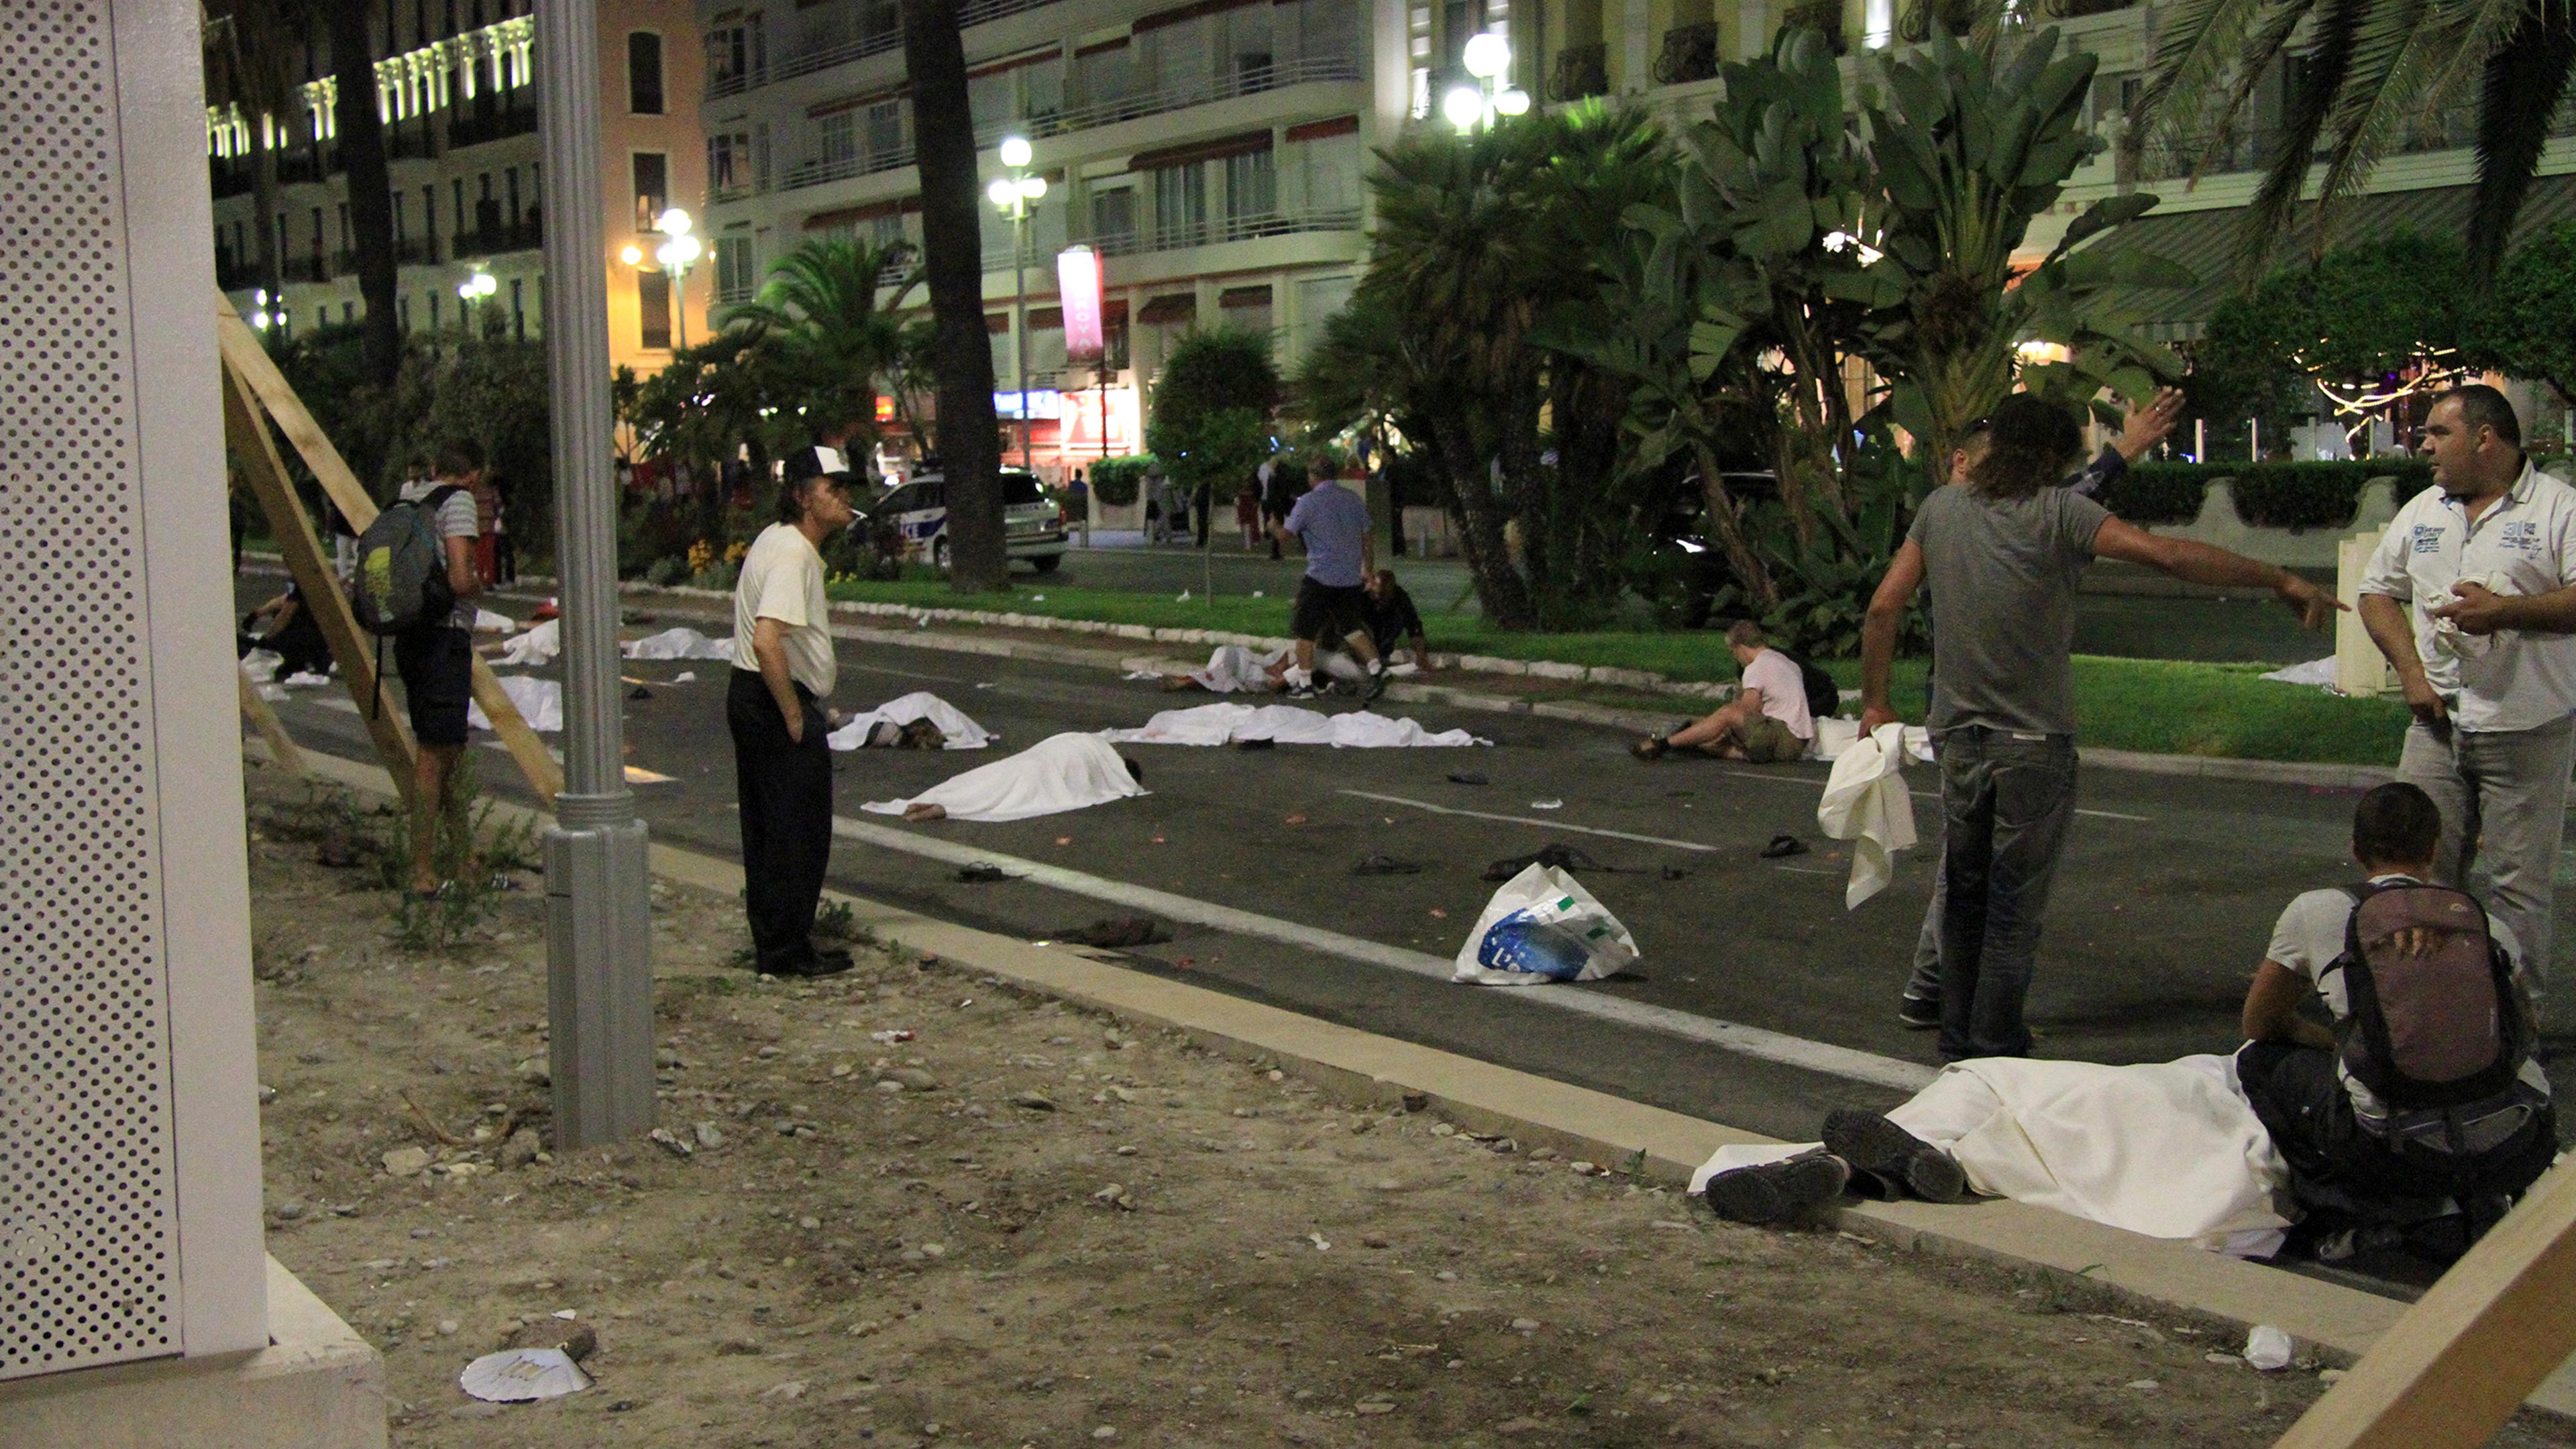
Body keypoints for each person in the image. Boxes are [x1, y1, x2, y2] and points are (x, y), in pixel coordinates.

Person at [1859, 393, 2340, 1062]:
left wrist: (1876, 701)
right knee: (2011, 907)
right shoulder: (2063, 513)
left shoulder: (1941, 508)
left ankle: (1955, 1032)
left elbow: (1884, 608)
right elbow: (2169, 556)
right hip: (2033, 744)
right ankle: (1993, 1041)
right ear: (2054, 457)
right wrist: (2279, 578)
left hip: (1959, 739)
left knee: (1965, 893)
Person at [1896, 387, 2188, 1028]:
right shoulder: (1965, 512)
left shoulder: (1947, 512)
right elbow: (2096, 523)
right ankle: (1982, 1024)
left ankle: (1940, 1002)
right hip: (2020, 726)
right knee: (2000, 893)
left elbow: (1884, 606)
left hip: (1959, 717)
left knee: (1967, 874)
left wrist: (2122, 453)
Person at [2237, 782, 2555, 1238]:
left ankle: (2347, 1206)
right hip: (2517, 1142)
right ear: (2433, 849)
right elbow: (2524, 1028)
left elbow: (2260, 1022)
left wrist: (2334, 1041)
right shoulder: (2488, 925)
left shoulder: (2316, 910)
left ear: (2355, 849)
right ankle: (2475, 1189)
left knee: (2260, 1060)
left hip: (2391, 1154)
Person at [2357, 383, 2576, 1020]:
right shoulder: (2425, 510)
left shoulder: (2558, 509)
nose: (2422, 446)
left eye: (2437, 433)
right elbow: (2377, 593)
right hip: (2436, 728)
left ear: (2485, 438)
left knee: (2518, 892)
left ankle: (2514, 1030)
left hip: (2527, 727)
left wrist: (2505, 611)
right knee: (2417, 881)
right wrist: (2411, 673)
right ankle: (2427, 1022)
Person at [727, 446, 858, 978]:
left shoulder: (777, 542)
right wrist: (796, 716)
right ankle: (785, 948)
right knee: (796, 830)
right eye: (834, 487)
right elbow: (766, 641)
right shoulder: (793, 554)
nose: (846, 497)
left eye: (847, 487)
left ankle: (779, 941)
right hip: (769, 698)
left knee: (770, 828)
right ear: (803, 495)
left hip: (755, 696)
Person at [393, 443, 486, 898]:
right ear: (472, 476)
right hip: (444, 639)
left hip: (409, 637)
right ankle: (423, 872)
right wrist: (478, 587)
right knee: (435, 757)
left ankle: (465, 858)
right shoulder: (459, 502)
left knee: (449, 751)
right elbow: (460, 579)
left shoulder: (409, 498)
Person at [1273, 451, 1387, 702]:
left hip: (1320, 577)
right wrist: (1367, 568)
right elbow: (1368, 532)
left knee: (1305, 632)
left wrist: (1273, 527)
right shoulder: (1353, 499)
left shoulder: (1308, 502)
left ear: (1313, 477)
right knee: (1350, 628)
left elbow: (1285, 537)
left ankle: (1304, 685)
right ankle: (1376, 669)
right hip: (1348, 579)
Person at [1632, 620, 1813, 763]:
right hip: (1796, 744)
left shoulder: (1758, 666)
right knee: (1706, 740)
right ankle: (1744, 755)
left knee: (1726, 714)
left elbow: (1746, 710)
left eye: (1732, 652)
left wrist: (1715, 723)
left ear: (1740, 647)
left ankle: (1663, 744)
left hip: (1782, 737)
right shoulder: (1786, 662)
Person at [238, 580, 333, 680]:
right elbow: (286, 599)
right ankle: (315, 658)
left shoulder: (299, 579)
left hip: (309, 636)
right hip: (324, 634)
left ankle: (299, 658)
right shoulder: (311, 576)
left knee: (284, 616)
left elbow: (286, 613)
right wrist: (257, 613)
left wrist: (268, 638)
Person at [1362, 569, 1432, 671]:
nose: (1382, 600)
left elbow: (1414, 626)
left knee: (1397, 620)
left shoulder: (1400, 597)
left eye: (1386, 595)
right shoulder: (1362, 596)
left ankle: (1382, 655)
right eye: (1379, 595)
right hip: (1365, 632)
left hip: (1384, 636)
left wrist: (1421, 657)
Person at [1261, 455, 1298, 561]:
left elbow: (1272, 493)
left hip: (1276, 504)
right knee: (1281, 525)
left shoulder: (1274, 476)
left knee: (1277, 526)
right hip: (1283, 503)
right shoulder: (1285, 474)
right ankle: (1276, 551)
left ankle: (1275, 551)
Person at [1236, 475, 1263, 550]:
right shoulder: (1246, 491)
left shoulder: (1250, 491)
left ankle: (1250, 542)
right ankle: (1249, 543)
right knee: (1247, 526)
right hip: (1245, 509)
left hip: (1248, 509)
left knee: (1250, 525)